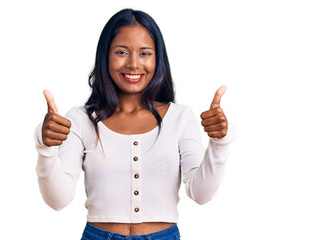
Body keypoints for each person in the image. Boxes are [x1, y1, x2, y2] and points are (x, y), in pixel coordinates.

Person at [34, 8, 236, 240]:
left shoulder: (180, 117)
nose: (133, 64)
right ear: (105, 56)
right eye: (121, 52)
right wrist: (45, 146)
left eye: (144, 53)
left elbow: (201, 194)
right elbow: (57, 200)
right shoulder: (80, 119)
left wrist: (220, 142)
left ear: (157, 58)